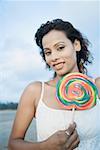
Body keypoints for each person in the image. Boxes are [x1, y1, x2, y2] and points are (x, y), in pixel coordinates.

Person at [8, 19, 100, 150]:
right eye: (48, 52)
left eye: (60, 48)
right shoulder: (35, 91)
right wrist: (44, 147)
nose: (54, 57)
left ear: (76, 45)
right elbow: (13, 143)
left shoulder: (97, 86)